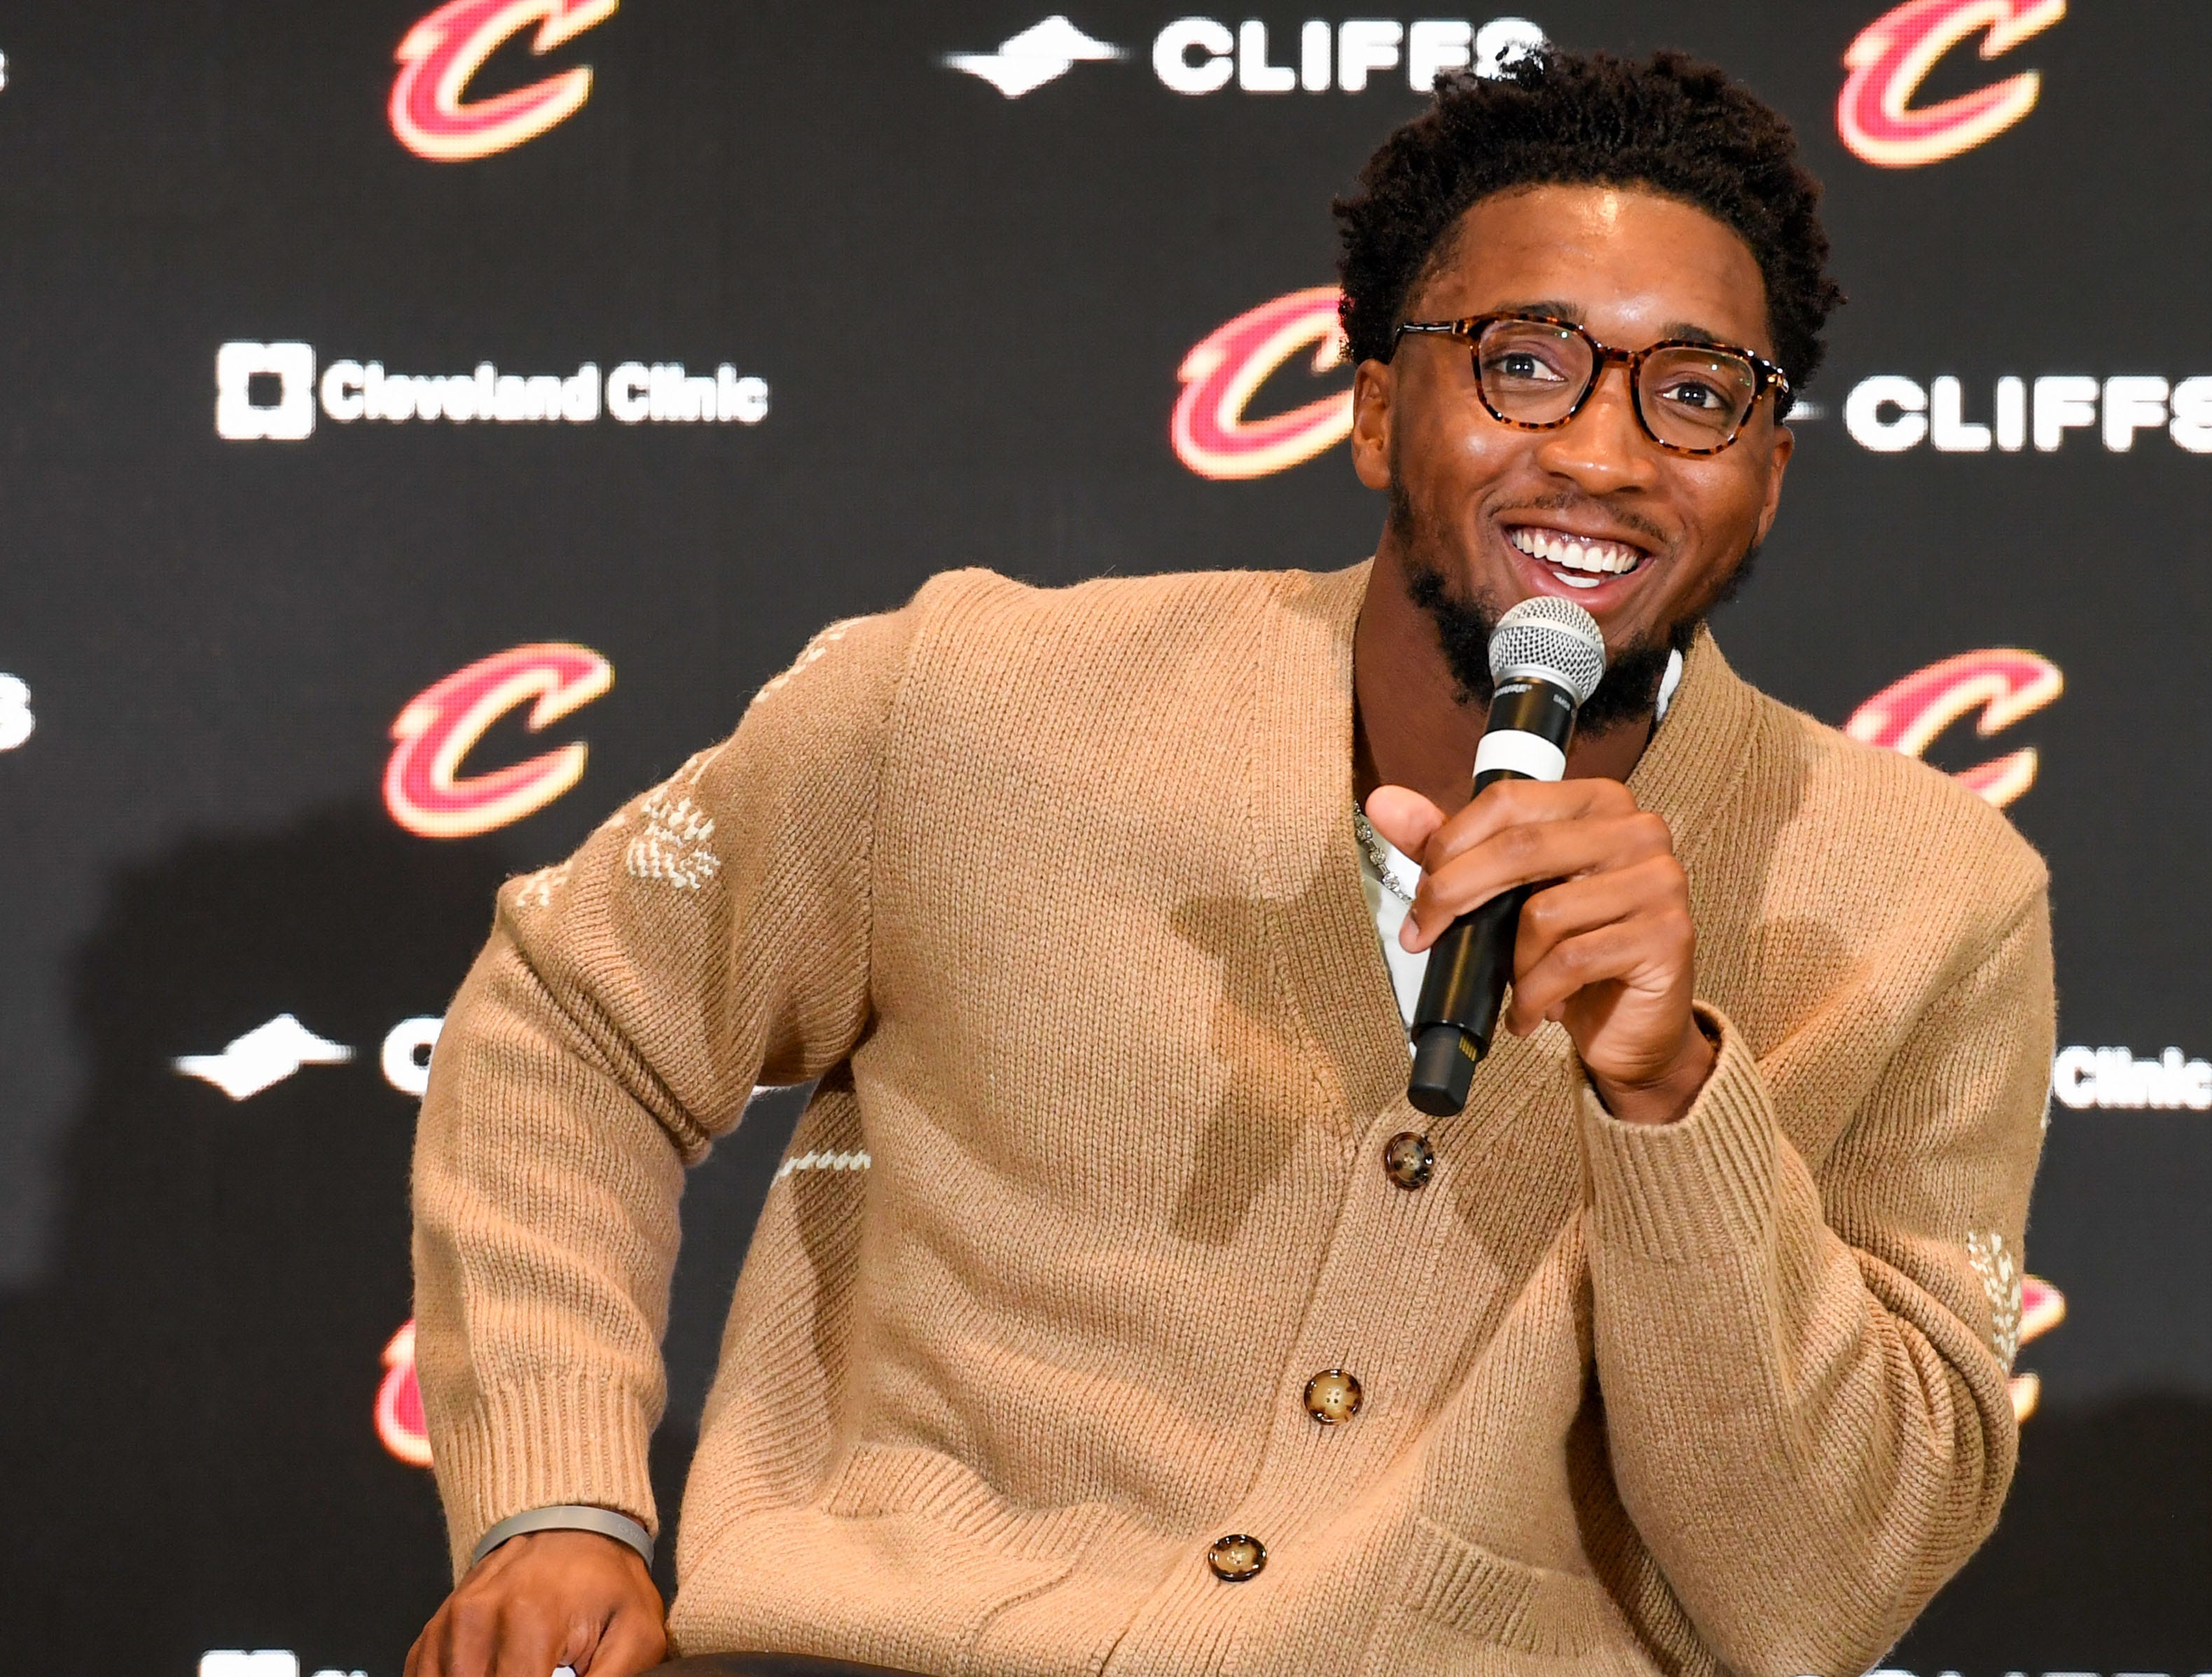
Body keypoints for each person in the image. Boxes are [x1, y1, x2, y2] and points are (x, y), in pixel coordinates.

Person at [403, 46, 2052, 1677]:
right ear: (1365, 407)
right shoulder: (974, 700)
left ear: (1768, 474)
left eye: (1696, 393)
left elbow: (1820, 1589)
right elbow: (576, 1020)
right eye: (1522, 364)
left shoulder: (1928, 901)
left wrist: (1672, 1098)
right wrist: (555, 1507)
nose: (1607, 456)